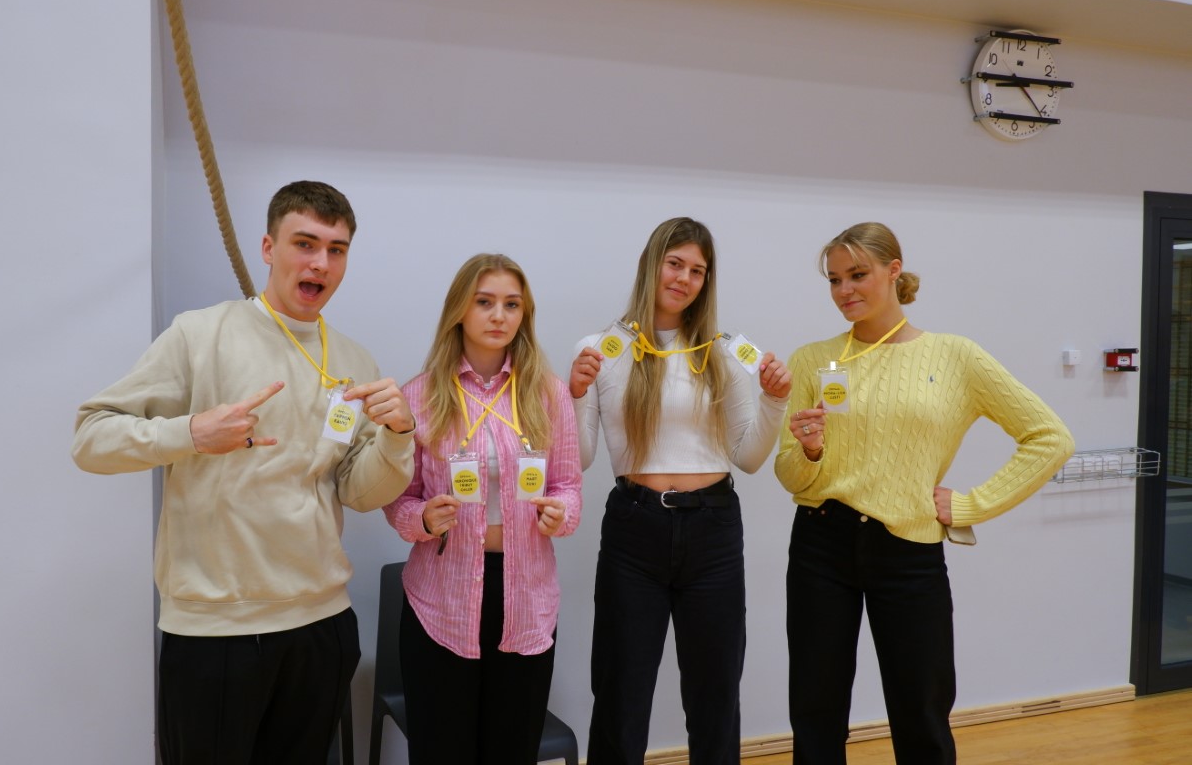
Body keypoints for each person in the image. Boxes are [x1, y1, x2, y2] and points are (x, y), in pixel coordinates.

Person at [71, 181, 416, 765]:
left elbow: (359, 493)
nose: (321, 262)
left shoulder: (354, 360)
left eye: (336, 250)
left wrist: (398, 437)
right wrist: (191, 434)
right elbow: (91, 439)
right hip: (216, 630)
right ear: (268, 247)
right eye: (305, 243)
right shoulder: (200, 334)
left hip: (322, 623)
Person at [774, 222, 1075, 765]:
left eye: (858, 274)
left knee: (922, 710)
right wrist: (811, 453)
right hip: (821, 543)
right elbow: (791, 475)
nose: (845, 290)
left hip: (907, 549)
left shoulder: (956, 356)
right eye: (835, 279)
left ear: (894, 271)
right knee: (815, 707)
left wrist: (970, 505)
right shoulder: (811, 360)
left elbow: (1050, 437)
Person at [568, 217, 791, 765]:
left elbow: (749, 458)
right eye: (675, 263)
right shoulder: (600, 349)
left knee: (715, 695)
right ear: (652, 264)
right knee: (620, 693)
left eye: (697, 270)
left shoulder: (724, 353)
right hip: (634, 529)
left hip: (713, 530)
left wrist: (775, 402)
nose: (684, 278)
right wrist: (573, 393)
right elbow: (581, 458)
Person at [383, 253, 583, 765]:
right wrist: (422, 519)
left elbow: (568, 486)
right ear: (460, 310)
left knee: (511, 750)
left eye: (512, 304)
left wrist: (560, 513)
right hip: (441, 599)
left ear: (524, 314)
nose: (499, 316)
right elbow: (397, 498)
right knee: (442, 751)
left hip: (525, 599)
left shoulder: (548, 393)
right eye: (485, 302)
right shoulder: (420, 395)